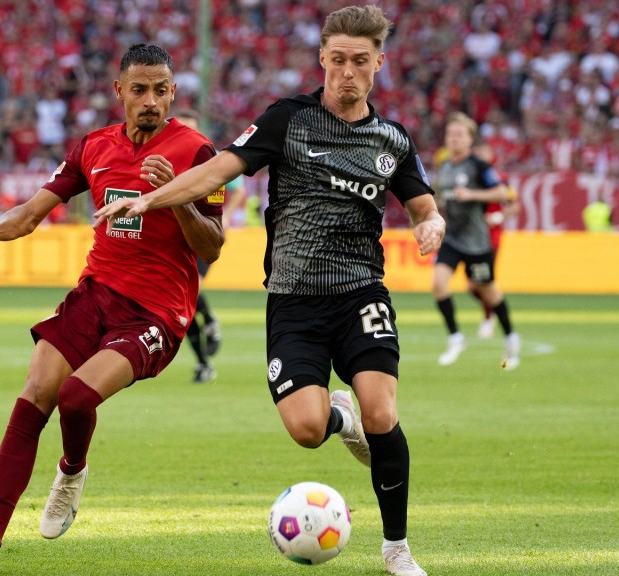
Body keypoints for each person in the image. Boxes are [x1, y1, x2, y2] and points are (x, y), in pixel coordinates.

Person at [96, 7, 442, 576]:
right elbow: (219, 170)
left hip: (361, 294)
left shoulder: (392, 139)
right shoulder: (287, 120)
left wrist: (431, 225)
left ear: (379, 63)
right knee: (307, 431)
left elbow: (424, 204)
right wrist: (147, 200)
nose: (347, 73)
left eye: (359, 61)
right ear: (322, 60)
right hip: (293, 300)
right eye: (337, 61)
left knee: (382, 412)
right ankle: (338, 417)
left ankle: (397, 550)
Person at [0, 44, 224, 574]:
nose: (150, 101)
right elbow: (31, 213)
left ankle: (71, 471)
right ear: (119, 91)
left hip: (156, 313)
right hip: (95, 293)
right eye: (139, 90)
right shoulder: (93, 147)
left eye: (161, 90)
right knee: (34, 397)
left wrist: (177, 196)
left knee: (74, 398)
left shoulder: (197, 152)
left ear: (173, 93)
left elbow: (211, 247)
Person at [431, 112, 520, 369]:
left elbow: (502, 192)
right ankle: (455, 337)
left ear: (470, 139)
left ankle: (511, 338)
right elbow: (441, 199)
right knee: (438, 283)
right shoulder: (445, 167)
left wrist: (471, 194)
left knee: (488, 291)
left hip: (477, 242)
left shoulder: (479, 166)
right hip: (452, 238)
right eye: (450, 134)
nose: (454, 139)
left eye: (459, 134)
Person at [172, 108, 228, 383]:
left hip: (202, 235)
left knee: (192, 291)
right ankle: (204, 362)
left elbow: (235, 186)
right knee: (183, 303)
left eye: (190, 128)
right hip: (174, 240)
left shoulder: (210, 158)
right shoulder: (165, 156)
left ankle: (211, 321)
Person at [469, 142, 519, 339]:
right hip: (471, 238)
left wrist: (498, 217)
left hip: (491, 238)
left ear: (491, 155)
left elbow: (515, 206)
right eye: (478, 151)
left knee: (483, 281)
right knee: (473, 286)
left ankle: (488, 320)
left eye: (484, 151)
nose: (481, 155)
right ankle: (496, 306)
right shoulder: (470, 178)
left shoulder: (500, 179)